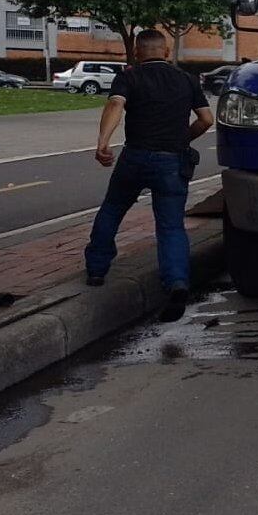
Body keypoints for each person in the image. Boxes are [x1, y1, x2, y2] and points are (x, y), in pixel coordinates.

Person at [84, 30, 214, 322]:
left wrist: (103, 143)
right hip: (172, 162)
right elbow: (206, 120)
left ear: (138, 53)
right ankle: (177, 283)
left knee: (113, 208)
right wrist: (183, 138)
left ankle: (96, 270)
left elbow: (116, 104)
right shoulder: (186, 79)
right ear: (166, 52)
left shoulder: (129, 77)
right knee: (170, 227)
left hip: (135, 157)